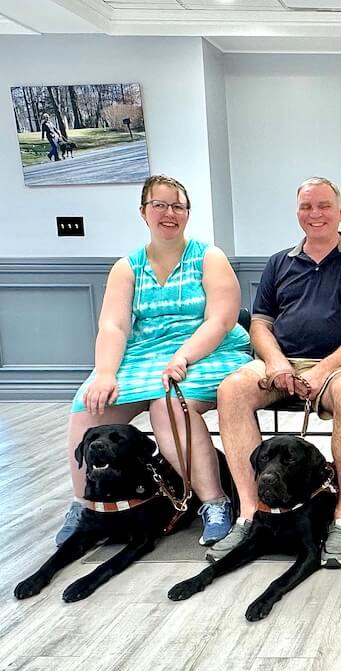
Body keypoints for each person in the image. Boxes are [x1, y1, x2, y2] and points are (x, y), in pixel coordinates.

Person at [60, 175, 251, 547]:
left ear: (187, 213)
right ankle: (85, 503)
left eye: (177, 206)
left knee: (168, 405)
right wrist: (104, 373)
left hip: (208, 350)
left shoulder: (209, 257)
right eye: (159, 205)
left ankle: (214, 502)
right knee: (87, 403)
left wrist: (184, 356)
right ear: (144, 212)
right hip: (145, 355)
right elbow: (113, 326)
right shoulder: (127, 267)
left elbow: (221, 320)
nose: (169, 213)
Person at [210, 177, 341, 567]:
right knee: (232, 390)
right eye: (307, 207)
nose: (315, 214)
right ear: (297, 214)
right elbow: (259, 325)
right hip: (283, 362)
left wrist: (325, 369)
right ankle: (248, 512)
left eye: (324, 205)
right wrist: (276, 363)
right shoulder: (279, 262)